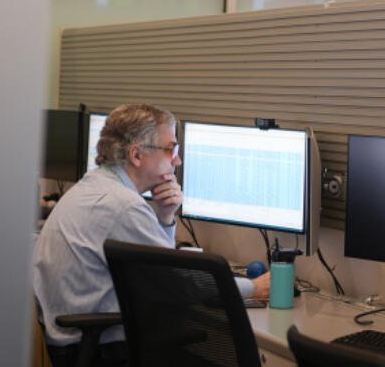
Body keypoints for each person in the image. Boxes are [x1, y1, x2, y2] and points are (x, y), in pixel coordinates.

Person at [33, 103, 270, 367]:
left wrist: (165, 216)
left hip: (74, 347)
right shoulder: (121, 206)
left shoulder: (95, 186)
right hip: (105, 353)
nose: (177, 160)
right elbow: (178, 282)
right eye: (171, 149)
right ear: (136, 155)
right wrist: (254, 287)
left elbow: (159, 269)